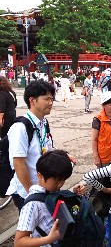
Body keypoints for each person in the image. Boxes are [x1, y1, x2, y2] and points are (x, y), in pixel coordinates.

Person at [14, 150, 85, 247]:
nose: (60, 184)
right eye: (56, 182)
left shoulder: (52, 191)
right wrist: (49, 239)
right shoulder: (32, 205)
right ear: (40, 176)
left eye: (63, 180)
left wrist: (74, 193)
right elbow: (19, 242)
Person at [7, 80, 56, 211]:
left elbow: (47, 150)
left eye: (52, 99)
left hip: (43, 189)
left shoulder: (43, 123)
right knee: (31, 230)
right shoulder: (20, 128)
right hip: (27, 193)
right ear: (32, 100)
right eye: (46, 99)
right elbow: (18, 164)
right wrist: (31, 194)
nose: (50, 103)